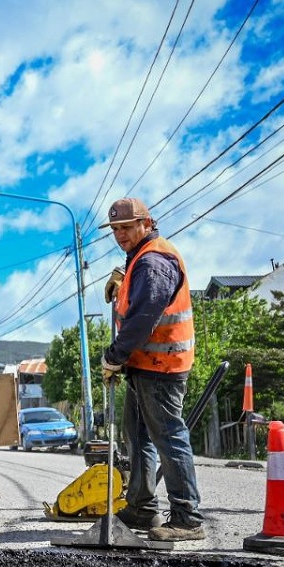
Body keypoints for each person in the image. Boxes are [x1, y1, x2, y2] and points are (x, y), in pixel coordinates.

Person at [99, 197, 203, 542]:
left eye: (126, 228)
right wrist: (123, 275)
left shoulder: (153, 262)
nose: (120, 235)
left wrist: (114, 356)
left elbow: (144, 318)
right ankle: (141, 507)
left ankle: (187, 518)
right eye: (115, 230)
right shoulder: (138, 259)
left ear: (147, 223)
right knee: (139, 436)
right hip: (144, 364)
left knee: (168, 437)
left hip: (162, 365)